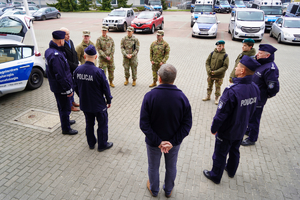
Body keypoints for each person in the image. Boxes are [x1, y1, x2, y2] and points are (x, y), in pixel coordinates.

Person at [203, 55, 261, 184]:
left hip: (227, 130)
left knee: (220, 153)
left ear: (243, 71)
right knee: (235, 150)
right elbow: (253, 110)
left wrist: (214, 128)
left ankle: (215, 176)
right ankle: (231, 170)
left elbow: (221, 115)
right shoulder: (255, 88)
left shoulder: (232, 91)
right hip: (241, 128)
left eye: (238, 66)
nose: (235, 67)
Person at [140, 64, 192, 198]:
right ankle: (168, 191)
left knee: (153, 167)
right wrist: (172, 142)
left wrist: (158, 142)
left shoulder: (150, 96)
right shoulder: (182, 98)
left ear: (159, 78)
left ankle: (154, 190)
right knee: (171, 167)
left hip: (153, 143)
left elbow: (144, 124)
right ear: (174, 79)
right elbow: (187, 125)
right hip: (172, 144)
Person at [73, 45, 113, 151]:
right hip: (98, 104)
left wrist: (81, 95)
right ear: (96, 57)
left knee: (89, 123)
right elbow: (106, 88)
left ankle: (91, 143)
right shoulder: (98, 72)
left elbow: (75, 86)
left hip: (85, 103)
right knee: (102, 124)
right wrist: (108, 100)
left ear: (85, 56)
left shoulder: (77, 70)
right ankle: (102, 144)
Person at [241, 44, 280, 146]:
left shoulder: (270, 69)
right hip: (251, 95)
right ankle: (249, 130)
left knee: (255, 118)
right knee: (250, 114)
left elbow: (273, 87)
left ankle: (252, 139)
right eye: (258, 52)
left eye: (260, 53)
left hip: (259, 98)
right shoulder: (259, 62)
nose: (257, 54)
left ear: (267, 55)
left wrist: (264, 96)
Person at [45, 30, 78, 135]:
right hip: (61, 87)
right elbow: (60, 75)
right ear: (60, 41)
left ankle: (66, 121)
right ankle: (66, 128)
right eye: (64, 39)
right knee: (65, 107)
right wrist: (68, 89)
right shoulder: (56, 55)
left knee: (62, 106)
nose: (65, 41)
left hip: (57, 86)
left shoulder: (49, 51)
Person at [202, 40, 229, 105]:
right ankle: (208, 96)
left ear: (223, 46)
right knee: (209, 86)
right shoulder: (212, 53)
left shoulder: (225, 56)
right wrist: (209, 70)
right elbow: (207, 62)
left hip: (218, 76)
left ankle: (216, 98)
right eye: (217, 46)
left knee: (217, 87)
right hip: (210, 74)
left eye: (219, 46)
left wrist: (216, 72)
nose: (218, 47)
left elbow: (225, 67)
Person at [60, 27, 80, 112]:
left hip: (74, 68)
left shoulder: (70, 41)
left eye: (69, 33)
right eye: (66, 34)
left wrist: (77, 63)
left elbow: (74, 53)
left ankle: (73, 101)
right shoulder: (61, 45)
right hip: (68, 70)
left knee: (74, 86)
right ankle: (70, 105)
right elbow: (65, 60)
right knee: (70, 87)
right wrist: (75, 66)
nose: (68, 36)